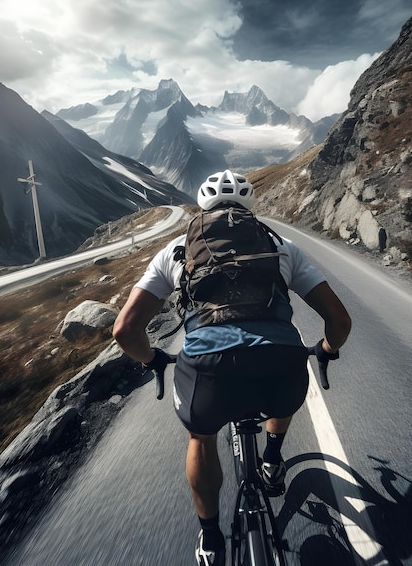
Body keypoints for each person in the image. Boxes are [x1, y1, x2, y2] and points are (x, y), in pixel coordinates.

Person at [113, 170, 351, 566]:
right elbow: (340, 321)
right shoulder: (281, 246)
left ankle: (210, 539)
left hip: (209, 370)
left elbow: (124, 329)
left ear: (202, 206)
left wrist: (151, 358)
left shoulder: (176, 250)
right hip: (280, 366)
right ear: (250, 206)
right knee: (286, 376)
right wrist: (325, 350)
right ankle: (273, 460)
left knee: (201, 437)